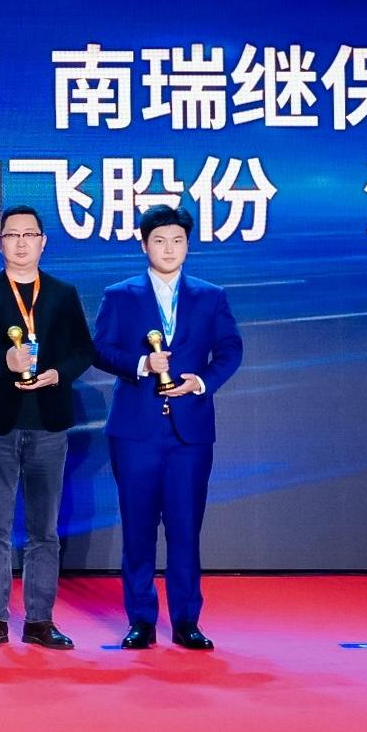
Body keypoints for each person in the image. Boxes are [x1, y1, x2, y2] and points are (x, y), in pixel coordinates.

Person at [90, 204, 244, 651]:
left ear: (187, 246)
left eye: (177, 241)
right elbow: (100, 349)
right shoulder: (120, 295)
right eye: (159, 241)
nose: (169, 249)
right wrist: (141, 364)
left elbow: (230, 349)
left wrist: (203, 381)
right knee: (137, 530)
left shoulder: (210, 296)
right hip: (135, 432)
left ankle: (186, 621)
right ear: (144, 245)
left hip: (189, 434)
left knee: (185, 529)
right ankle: (140, 619)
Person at [0, 206, 95, 650]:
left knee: (44, 531)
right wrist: (4, 361)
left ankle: (39, 620)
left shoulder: (62, 294)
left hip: (49, 423)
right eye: (11, 235)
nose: (20, 242)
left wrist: (58, 374)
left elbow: (83, 350)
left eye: (29, 234)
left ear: (42, 241)